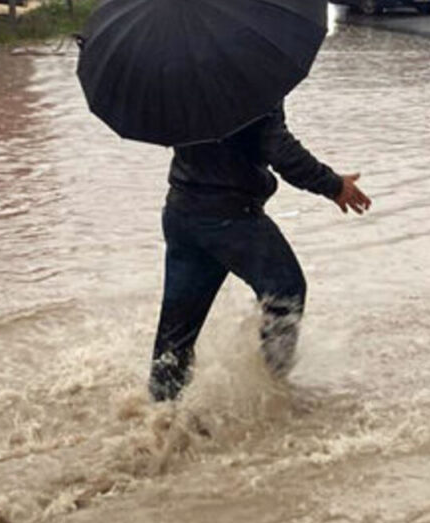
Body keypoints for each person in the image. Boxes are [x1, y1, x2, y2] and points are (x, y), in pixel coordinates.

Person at [148, 102, 370, 401]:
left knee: (177, 331)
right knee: (286, 291)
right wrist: (333, 185)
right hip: (232, 218)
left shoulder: (183, 83)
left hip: (181, 211)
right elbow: (280, 151)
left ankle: (159, 412)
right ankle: (273, 390)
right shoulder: (252, 82)